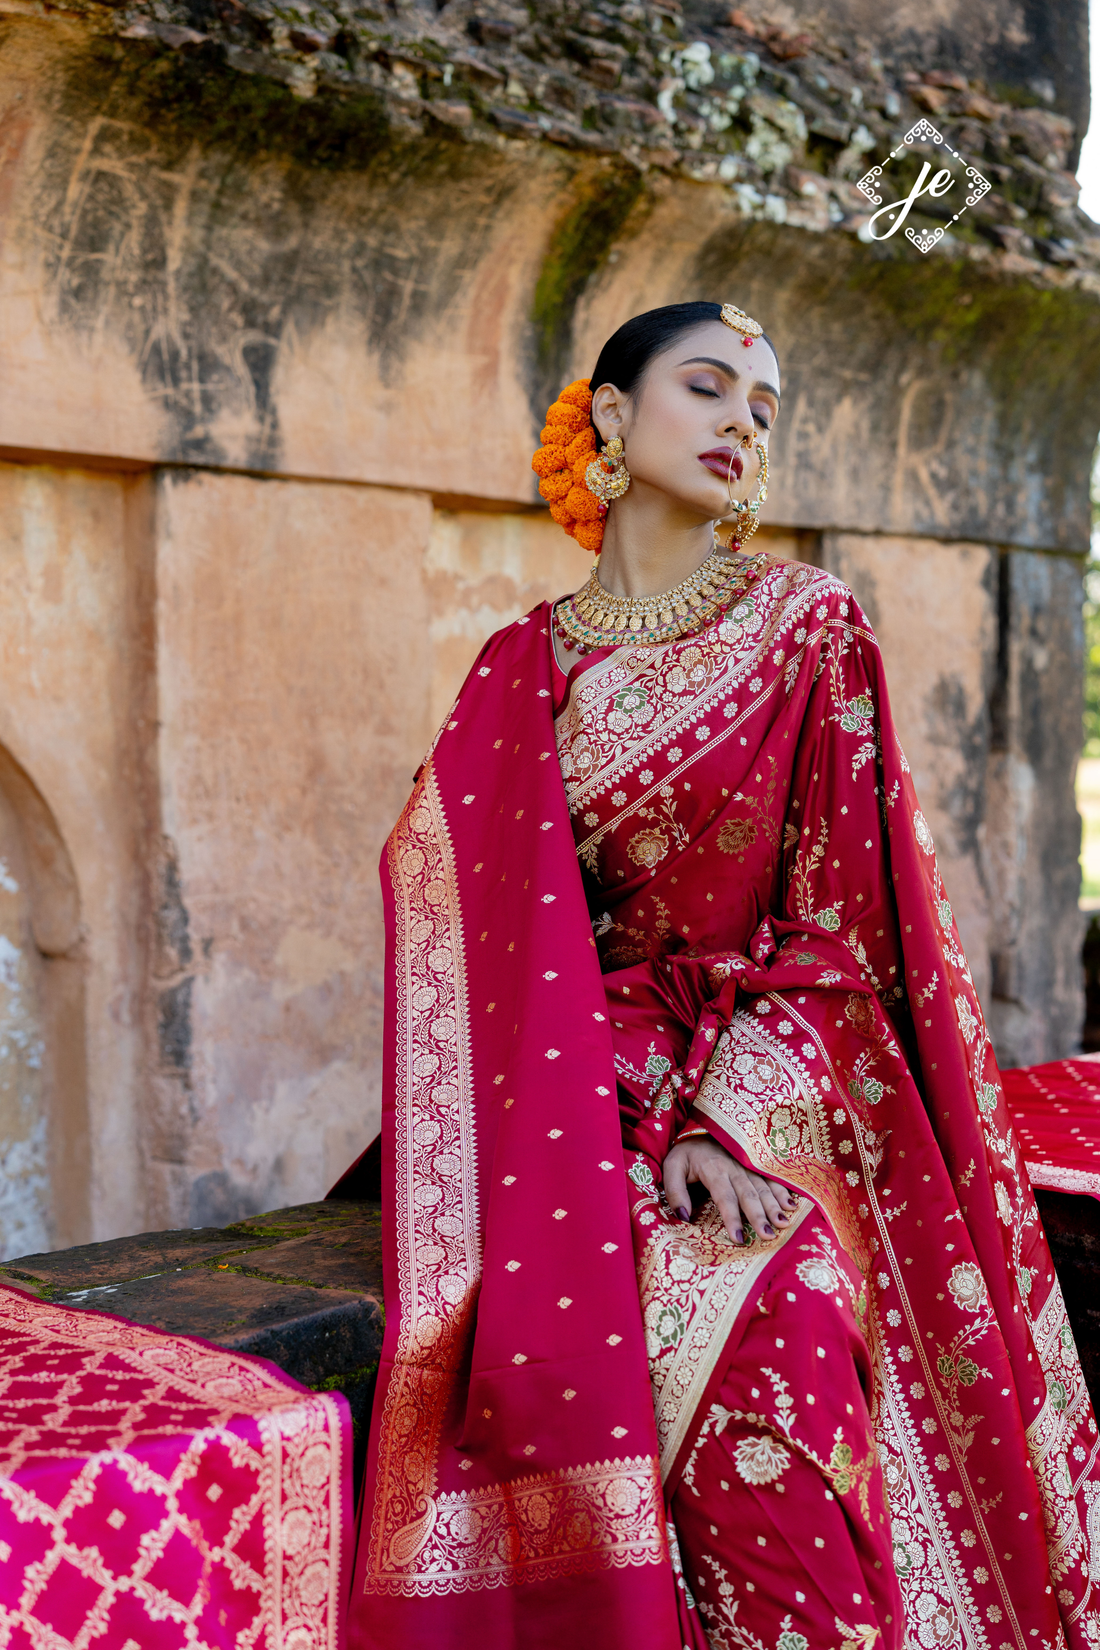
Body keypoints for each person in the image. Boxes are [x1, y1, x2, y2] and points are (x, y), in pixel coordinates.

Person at [346, 301, 1100, 1648]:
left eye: (763, 408)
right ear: (614, 421)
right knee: (521, 1340)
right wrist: (610, 1105)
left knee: (776, 1308)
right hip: (566, 1092)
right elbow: (460, 921)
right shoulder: (525, 665)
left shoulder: (810, 627)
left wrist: (724, 1123)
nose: (743, 424)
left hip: (772, 1088)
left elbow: (842, 935)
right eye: (708, 388)